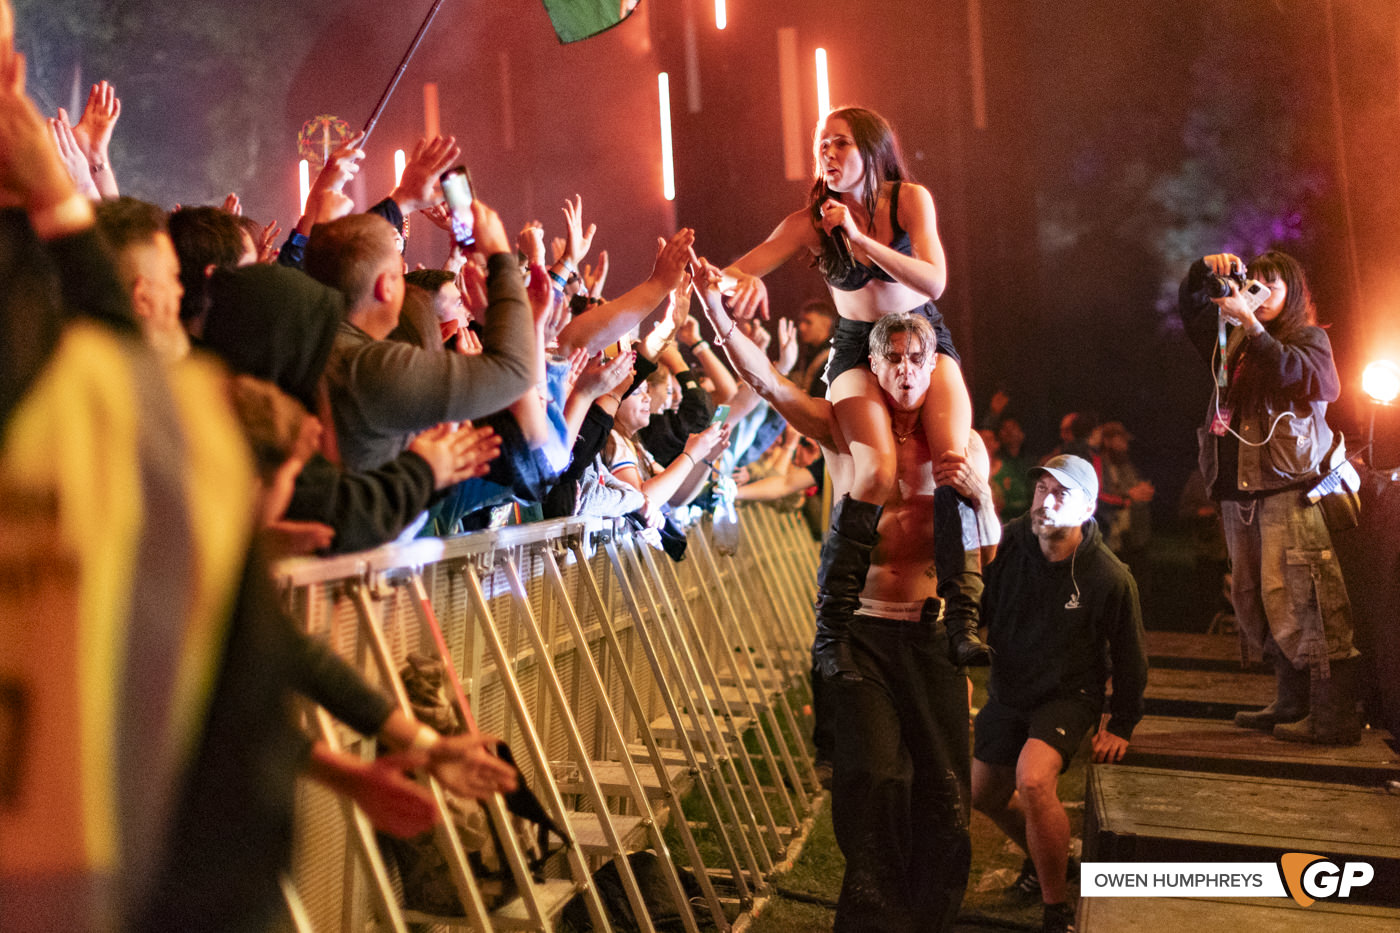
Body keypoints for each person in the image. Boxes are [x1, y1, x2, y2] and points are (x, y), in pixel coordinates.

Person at [697, 262, 995, 931]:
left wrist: (976, 495)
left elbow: (988, 546)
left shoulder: (960, 441)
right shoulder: (843, 428)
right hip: (862, 630)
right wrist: (717, 319)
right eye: (893, 359)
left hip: (931, 630)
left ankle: (928, 918)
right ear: (878, 368)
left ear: (932, 365)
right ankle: (870, 918)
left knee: (943, 794)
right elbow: (770, 383)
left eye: (918, 358)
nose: (907, 370)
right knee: (872, 782)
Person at [721, 105, 986, 672]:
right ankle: (833, 627)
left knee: (951, 463)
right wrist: (729, 285)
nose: (829, 154)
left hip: (920, 336)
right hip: (857, 347)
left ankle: (964, 620)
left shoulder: (910, 200)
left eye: (840, 143)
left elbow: (935, 278)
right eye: (822, 146)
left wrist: (862, 242)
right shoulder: (810, 222)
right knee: (873, 471)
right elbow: (737, 272)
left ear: (872, 148)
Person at [1178, 250, 1359, 745]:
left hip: (1290, 493)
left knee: (1306, 597)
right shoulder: (1231, 341)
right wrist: (1203, 273)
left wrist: (1254, 330)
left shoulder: (1309, 339)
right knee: (1256, 598)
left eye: (1268, 286)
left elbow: (1314, 381)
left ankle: (1333, 717)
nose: (1254, 294)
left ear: (1293, 294)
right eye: (1250, 284)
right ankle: (1290, 701)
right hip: (1240, 496)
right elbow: (1191, 315)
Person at [971, 455, 1147, 933]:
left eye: (1060, 494)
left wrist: (1121, 724)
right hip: (1010, 689)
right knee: (982, 794)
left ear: (1087, 509)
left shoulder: (1109, 576)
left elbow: (1131, 657)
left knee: (1032, 780)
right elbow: (974, 602)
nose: (1045, 502)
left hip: (1070, 693)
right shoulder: (1004, 544)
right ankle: (1046, 855)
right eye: (1041, 489)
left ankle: (1056, 911)